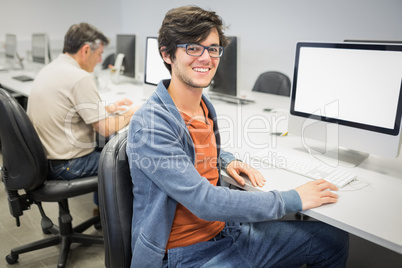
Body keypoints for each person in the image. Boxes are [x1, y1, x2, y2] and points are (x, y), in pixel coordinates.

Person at [126, 6, 349, 267]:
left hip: (227, 233)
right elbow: (205, 201)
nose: (206, 57)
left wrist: (225, 160)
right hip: (184, 256)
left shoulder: (202, 106)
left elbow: (193, 152)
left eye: (212, 48)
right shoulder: (151, 124)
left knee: (334, 241)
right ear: (167, 55)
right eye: (193, 48)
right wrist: (292, 198)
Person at [27, 23, 138, 208]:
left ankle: (100, 211)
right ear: (86, 50)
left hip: (44, 162)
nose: (100, 59)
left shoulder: (51, 68)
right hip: (67, 165)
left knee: (107, 149)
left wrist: (106, 109)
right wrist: (134, 113)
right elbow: (105, 128)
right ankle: (115, 224)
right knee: (129, 160)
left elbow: (68, 107)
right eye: (99, 54)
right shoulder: (80, 78)